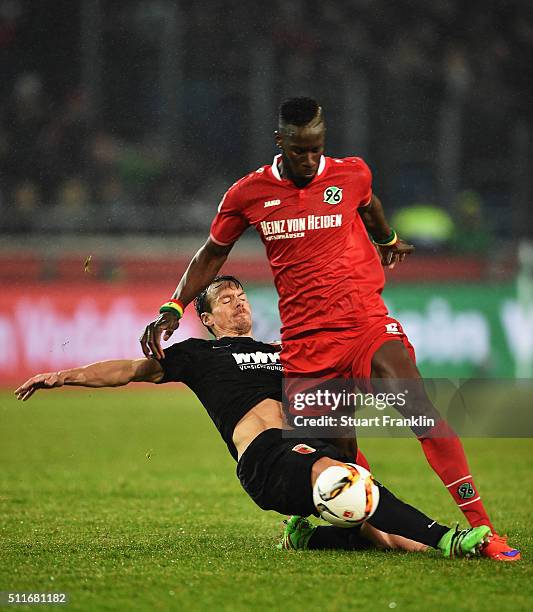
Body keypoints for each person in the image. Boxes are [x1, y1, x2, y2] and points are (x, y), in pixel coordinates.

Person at [139, 98, 518, 561]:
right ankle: (320, 533)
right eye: (300, 151)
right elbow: (212, 255)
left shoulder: (351, 173)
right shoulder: (248, 194)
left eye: (317, 149)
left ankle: (484, 527)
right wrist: (174, 305)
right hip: (307, 345)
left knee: (420, 412)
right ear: (281, 143)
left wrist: (387, 239)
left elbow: (370, 204)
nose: (310, 160)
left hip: (364, 323)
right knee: (340, 461)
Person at [16, 276, 493, 558]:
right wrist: (63, 376)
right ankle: (451, 538)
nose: (238, 302)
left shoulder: (282, 353)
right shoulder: (198, 354)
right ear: (206, 317)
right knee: (343, 482)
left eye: (241, 296)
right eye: (225, 299)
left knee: (385, 541)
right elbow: (128, 369)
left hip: (309, 448)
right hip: (265, 460)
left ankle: (307, 538)